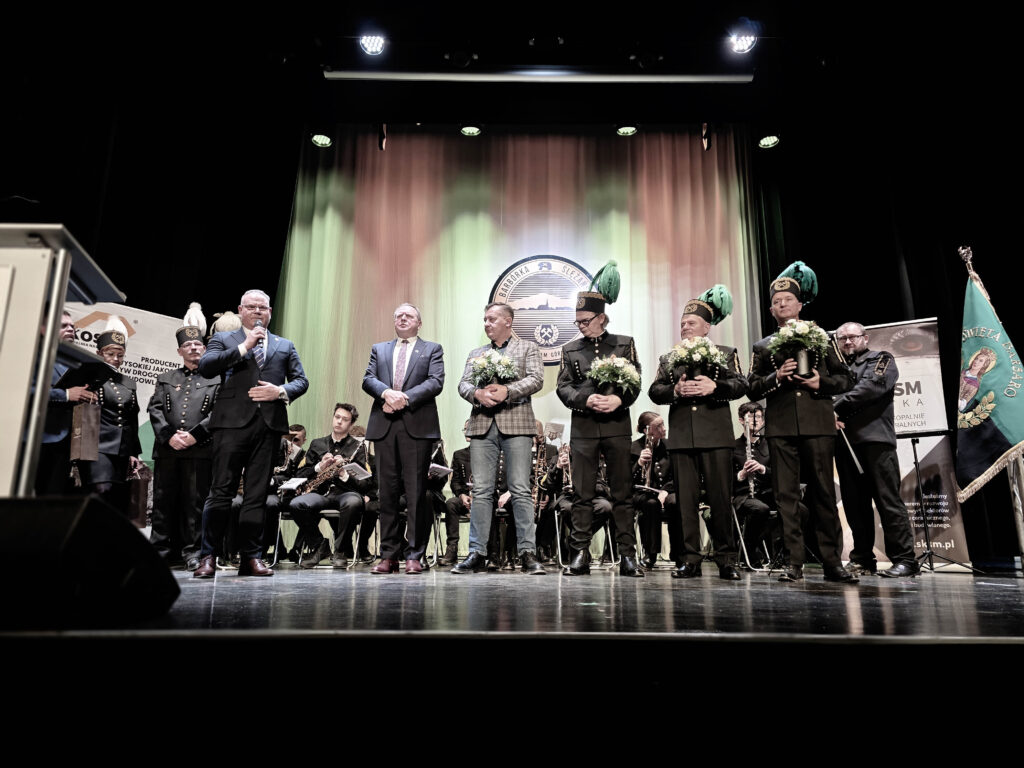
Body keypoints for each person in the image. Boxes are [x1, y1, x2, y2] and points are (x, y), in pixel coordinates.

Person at [748, 262, 857, 583]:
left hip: (817, 423)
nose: (782, 304)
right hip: (781, 427)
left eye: (788, 300)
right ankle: (793, 562)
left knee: (823, 492)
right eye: (776, 301)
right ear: (771, 309)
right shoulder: (763, 346)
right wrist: (775, 376)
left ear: (799, 305)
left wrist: (819, 383)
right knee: (786, 495)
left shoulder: (821, 337)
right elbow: (751, 387)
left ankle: (832, 563)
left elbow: (846, 378)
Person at [193, 289, 309, 579]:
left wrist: (279, 391)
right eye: (252, 307)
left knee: (256, 496)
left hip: (268, 427)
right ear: (240, 310)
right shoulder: (224, 339)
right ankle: (208, 555)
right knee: (221, 492)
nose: (258, 311)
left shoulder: (284, 345)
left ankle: (251, 557)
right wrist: (244, 347)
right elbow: (206, 367)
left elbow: (301, 381)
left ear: (270, 312)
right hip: (230, 425)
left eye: (263, 307)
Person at [648, 284, 748, 580]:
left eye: (691, 323)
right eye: (682, 324)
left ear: (706, 327)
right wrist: (675, 390)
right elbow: (655, 391)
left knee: (720, 499)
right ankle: (689, 558)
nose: (685, 328)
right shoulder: (669, 358)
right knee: (686, 503)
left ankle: (727, 559)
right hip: (682, 437)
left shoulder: (725, 353)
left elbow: (741, 385)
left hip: (716, 435)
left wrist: (715, 387)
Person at [555, 261, 644, 577]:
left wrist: (620, 398)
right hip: (583, 428)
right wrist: (584, 399)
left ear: (602, 318)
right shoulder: (570, 350)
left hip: (617, 426)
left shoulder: (623, 344)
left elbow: (636, 381)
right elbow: (563, 387)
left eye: (585, 321)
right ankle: (580, 554)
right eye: (577, 321)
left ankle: (627, 556)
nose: (580, 326)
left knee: (622, 493)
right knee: (582, 493)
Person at [452, 302, 545, 575]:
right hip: (482, 424)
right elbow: (463, 384)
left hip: (517, 423)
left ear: (508, 321)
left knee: (520, 488)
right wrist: (477, 394)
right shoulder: (476, 353)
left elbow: (536, 379)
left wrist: (508, 391)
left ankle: (527, 552)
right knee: (481, 490)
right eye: (485, 320)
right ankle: (477, 553)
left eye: (492, 319)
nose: (487, 324)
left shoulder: (527, 348)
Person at [362, 303, 444, 574]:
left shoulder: (432, 349)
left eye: (409, 315)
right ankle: (388, 555)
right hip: (385, 424)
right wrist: (387, 394)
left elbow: (435, 382)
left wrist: (403, 398)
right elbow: (368, 379)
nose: (403, 318)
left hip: (417, 426)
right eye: (398, 315)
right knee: (386, 493)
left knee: (416, 492)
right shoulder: (380, 349)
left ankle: (414, 554)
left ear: (419, 322)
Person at [833, 322, 920, 578]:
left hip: (875, 441)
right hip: (844, 443)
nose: (848, 342)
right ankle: (862, 559)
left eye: (852, 337)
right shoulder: (835, 368)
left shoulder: (881, 358)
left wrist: (834, 407)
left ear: (865, 338)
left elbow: (872, 387)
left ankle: (905, 560)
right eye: (842, 338)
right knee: (854, 506)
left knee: (888, 501)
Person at [148, 310, 219, 570]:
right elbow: (155, 409)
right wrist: (169, 437)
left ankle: (193, 552)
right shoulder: (166, 378)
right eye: (187, 345)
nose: (193, 348)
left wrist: (193, 436)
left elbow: (217, 413)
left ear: (205, 348)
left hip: (199, 450)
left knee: (195, 504)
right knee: (162, 503)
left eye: (197, 344)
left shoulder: (216, 378)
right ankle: (160, 550)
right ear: (179, 351)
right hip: (168, 450)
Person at [290, 403, 373, 569]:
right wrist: (318, 467)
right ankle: (319, 545)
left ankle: (340, 550)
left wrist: (344, 474)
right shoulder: (317, 444)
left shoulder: (358, 448)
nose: (339, 421)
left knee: (353, 502)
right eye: (337, 417)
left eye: (345, 419)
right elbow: (299, 474)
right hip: (321, 494)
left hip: (346, 493)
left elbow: (366, 483)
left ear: (351, 424)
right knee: (296, 504)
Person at [78, 318, 143, 514]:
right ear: (99, 353)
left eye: (120, 355)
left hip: (122, 449)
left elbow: (132, 417)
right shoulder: (89, 375)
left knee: (116, 497)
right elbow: (83, 413)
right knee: (101, 491)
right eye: (110, 354)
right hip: (97, 446)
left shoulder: (129, 382)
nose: (116, 359)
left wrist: (134, 452)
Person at [36, 311, 96, 496]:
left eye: (72, 326)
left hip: (72, 442)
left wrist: (87, 395)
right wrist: (67, 394)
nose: (71, 329)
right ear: (44, 329)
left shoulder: (76, 363)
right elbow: (23, 391)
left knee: (58, 497)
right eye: (64, 326)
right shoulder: (35, 357)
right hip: (42, 438)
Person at [630, 411, 681, 570]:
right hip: (642, 494)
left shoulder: (670, 446)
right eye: (658, 426)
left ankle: (678, 553)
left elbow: (677, 475)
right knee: (651, 504)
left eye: (663, 424)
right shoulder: (633, 447)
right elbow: (627, 479)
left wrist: (666, 490)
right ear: (646, 430)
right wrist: (639, 463)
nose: (664, 429)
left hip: (667, 492)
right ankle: (650, 554)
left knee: (676, 502)